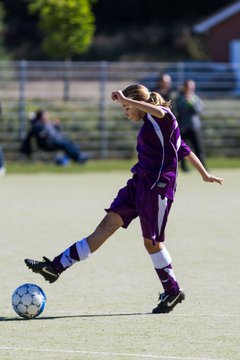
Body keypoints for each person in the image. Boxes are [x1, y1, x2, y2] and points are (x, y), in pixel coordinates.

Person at [25, 84, 223, 314]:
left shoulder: (164, 117)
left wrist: (124, 98)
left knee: (152, 243)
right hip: (138, 184)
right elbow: (184, 149)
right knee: (107, 224)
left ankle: (172, 291)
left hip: (157, 188)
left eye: (127, 107)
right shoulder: (151, 126)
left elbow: (162, 117)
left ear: (141, 103)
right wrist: (204, 174)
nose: (126, 112)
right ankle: (55, 267)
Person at [20, 110, 89, 164]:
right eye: (45, 115)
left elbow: (56, 133)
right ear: (41, 117)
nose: (47, 116)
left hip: (55, 141)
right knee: (64, 144)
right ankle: (78, 158)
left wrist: (57, 126)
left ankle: (78, 157)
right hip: (48, 144)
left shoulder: (48, 123)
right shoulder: (38, 126)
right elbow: (41, 135)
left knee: (68, 142)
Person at [175, 79, 206, 172]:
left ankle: (203, 167)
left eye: (192, 86)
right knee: (184, 148)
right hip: (183, 127)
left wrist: (190, 102)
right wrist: (185, 101)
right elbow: (180, 111)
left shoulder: (195, 98)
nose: (190, 88)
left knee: (198, 148)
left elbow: (198, 110)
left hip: (194, 127)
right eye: (188, 86)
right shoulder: (179, 98)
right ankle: (184, 167)